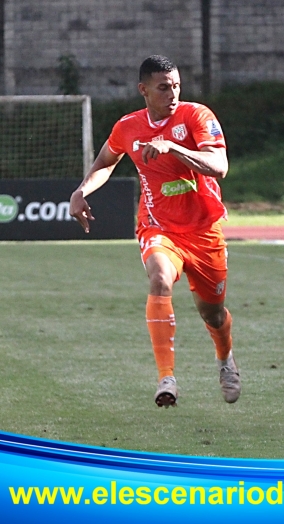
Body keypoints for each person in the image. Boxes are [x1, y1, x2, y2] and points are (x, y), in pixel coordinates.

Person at [69, 55, 240, 408]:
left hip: (204, 231)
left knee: (213, 313)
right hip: (158, 226)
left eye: (176, 86)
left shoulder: (197, 116)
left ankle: (225, 360)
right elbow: (105, 162)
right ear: (143, 90)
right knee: (159, 278)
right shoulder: (128, 126)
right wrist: (81, 191)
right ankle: (166, 378)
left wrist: (173, 146)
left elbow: (219, 166)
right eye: (163, 87)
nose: (172, 94)